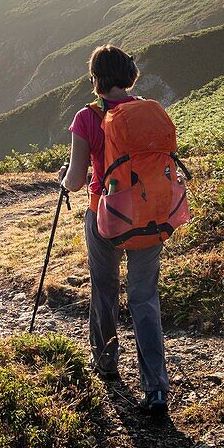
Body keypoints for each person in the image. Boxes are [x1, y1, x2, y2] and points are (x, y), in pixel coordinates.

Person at [59, 44, 170, 414]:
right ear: (128, 74)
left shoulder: (87, 117)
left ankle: (105, 363)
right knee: (144, 299)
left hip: (104, 215)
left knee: (105, 290)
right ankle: (155, 387)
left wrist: (63, 180)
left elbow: (75, 181)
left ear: (95, 78)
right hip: (150, 215)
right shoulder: (148, 111)